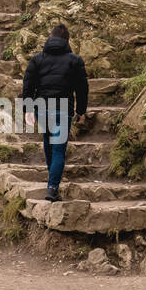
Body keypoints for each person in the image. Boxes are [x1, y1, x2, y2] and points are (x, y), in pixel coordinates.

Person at [22, 23, 89, 200]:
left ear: (50, 38)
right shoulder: (75, 60)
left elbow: (28, 85)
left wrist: (28, 109)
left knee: (48, 143)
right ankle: (52, 188)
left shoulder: (37, 59)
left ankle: (53, 182)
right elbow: (82, 88)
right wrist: (81, 111)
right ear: (67, 41)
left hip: (42, 110)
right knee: (59, 150)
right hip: (62, 110)